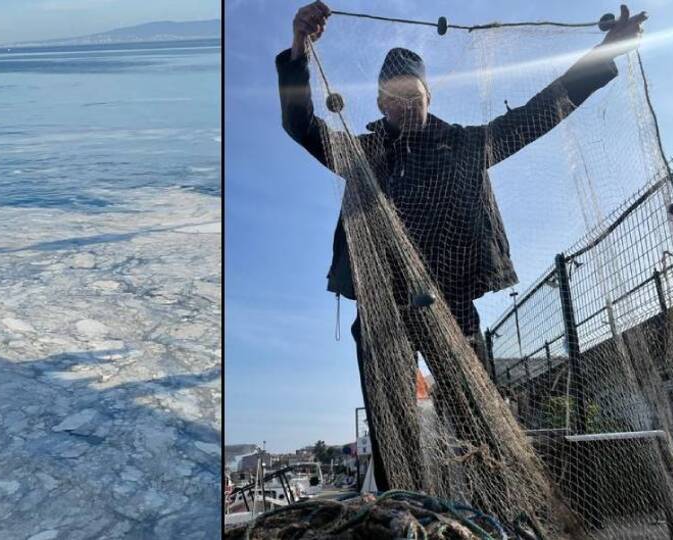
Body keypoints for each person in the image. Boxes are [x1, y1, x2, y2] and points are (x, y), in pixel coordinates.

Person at [276, 2, 647, 491]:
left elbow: (538, 114)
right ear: (381, 104)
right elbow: (301, 125)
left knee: (477, 414)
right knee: (391, 423)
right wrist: (298, 51)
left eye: (414, 95)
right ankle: (402, 504)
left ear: (429, 96)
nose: (406, 104)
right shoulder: (361, 155)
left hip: (450, 303)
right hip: (383, 309)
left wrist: (605, 51)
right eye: (394, 97)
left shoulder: (467, 145)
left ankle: (500, 501)